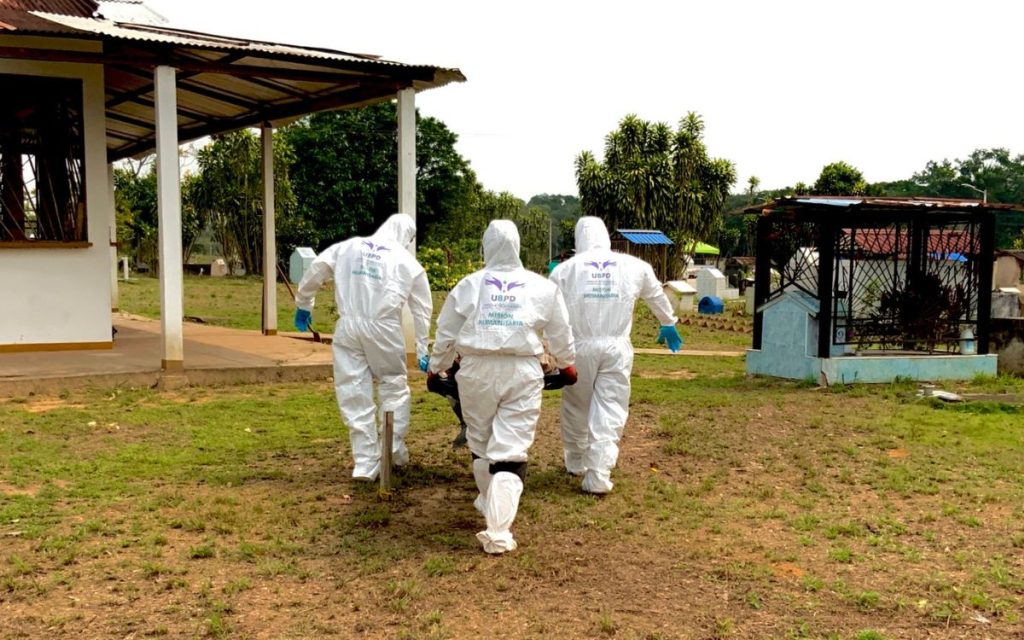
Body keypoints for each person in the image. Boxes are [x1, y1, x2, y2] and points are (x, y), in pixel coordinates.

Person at [429, 220, 576, 554]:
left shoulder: (468, 285)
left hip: (475, 370)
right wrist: (567, 362)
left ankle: (488, 502)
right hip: (523, 370)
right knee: (510, 450)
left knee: (481, 443)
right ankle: (498, 530)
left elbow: (446, 333)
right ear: (518, 246)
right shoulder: (541, 287)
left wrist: (437, 366)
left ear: (485, 248)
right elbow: (561, 332)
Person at [548, 216, 682, 495]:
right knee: (610, 407)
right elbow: (656, 294)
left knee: (577, 405)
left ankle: (575, 460)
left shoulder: (564, 271)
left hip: (578, 347)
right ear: (606, 237)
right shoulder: (634, 266)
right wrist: (667, 322)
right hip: (617, 348)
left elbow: (551, 313)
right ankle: (599, 473)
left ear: (578, 239)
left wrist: (549, 347)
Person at [294, 213, 432, 481]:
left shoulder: (348, 247)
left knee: (353, 389)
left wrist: (304, 303)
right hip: (384, 328)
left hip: (348, 327)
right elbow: (422, 308)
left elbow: (317, 269)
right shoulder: (407, 262)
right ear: (407, 236)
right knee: (392, 386)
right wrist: (423, 348)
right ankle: (390, 450)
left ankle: (365, 463)